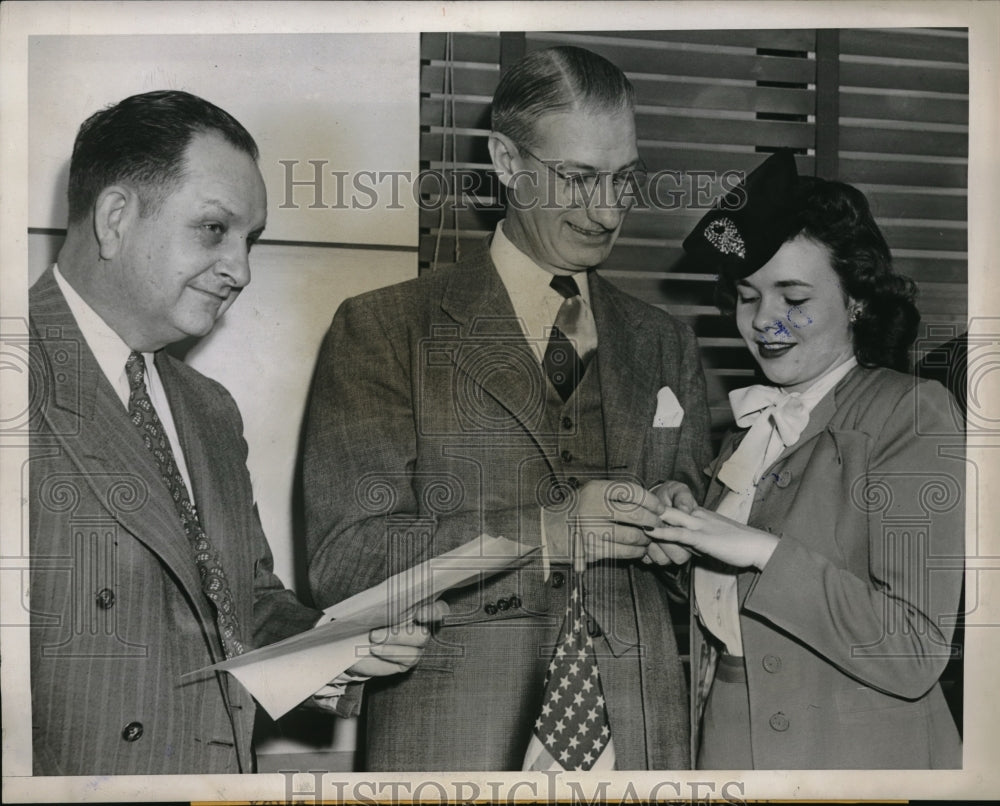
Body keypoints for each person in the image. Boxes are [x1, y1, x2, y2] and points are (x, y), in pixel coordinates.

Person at [302, 46, 712, 771]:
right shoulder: (385, 328)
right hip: (454, 744)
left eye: (624, 179)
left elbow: (699, 552)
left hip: (642, 746)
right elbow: (345, 559)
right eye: (579, 178)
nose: (606, 209)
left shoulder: (664, 341)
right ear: (506, 161)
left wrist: (682, 528)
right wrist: (547, 533)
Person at [28, 90, 445, 776]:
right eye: (214, 230)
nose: (241, 271)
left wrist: (342, 646)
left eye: (248, 241)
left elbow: (244, 606)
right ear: (114, 218)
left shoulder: (210, 410)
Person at [648, 150, 965, 768]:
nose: (763, 320)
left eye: (793, 296)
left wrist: (757, 548)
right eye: (747, 296)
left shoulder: (912, 413)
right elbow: (740, 611)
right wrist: (681, 543)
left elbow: (912, 649)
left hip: (860, 752)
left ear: (855, 302)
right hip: (731, 740)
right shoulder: (747, 433)